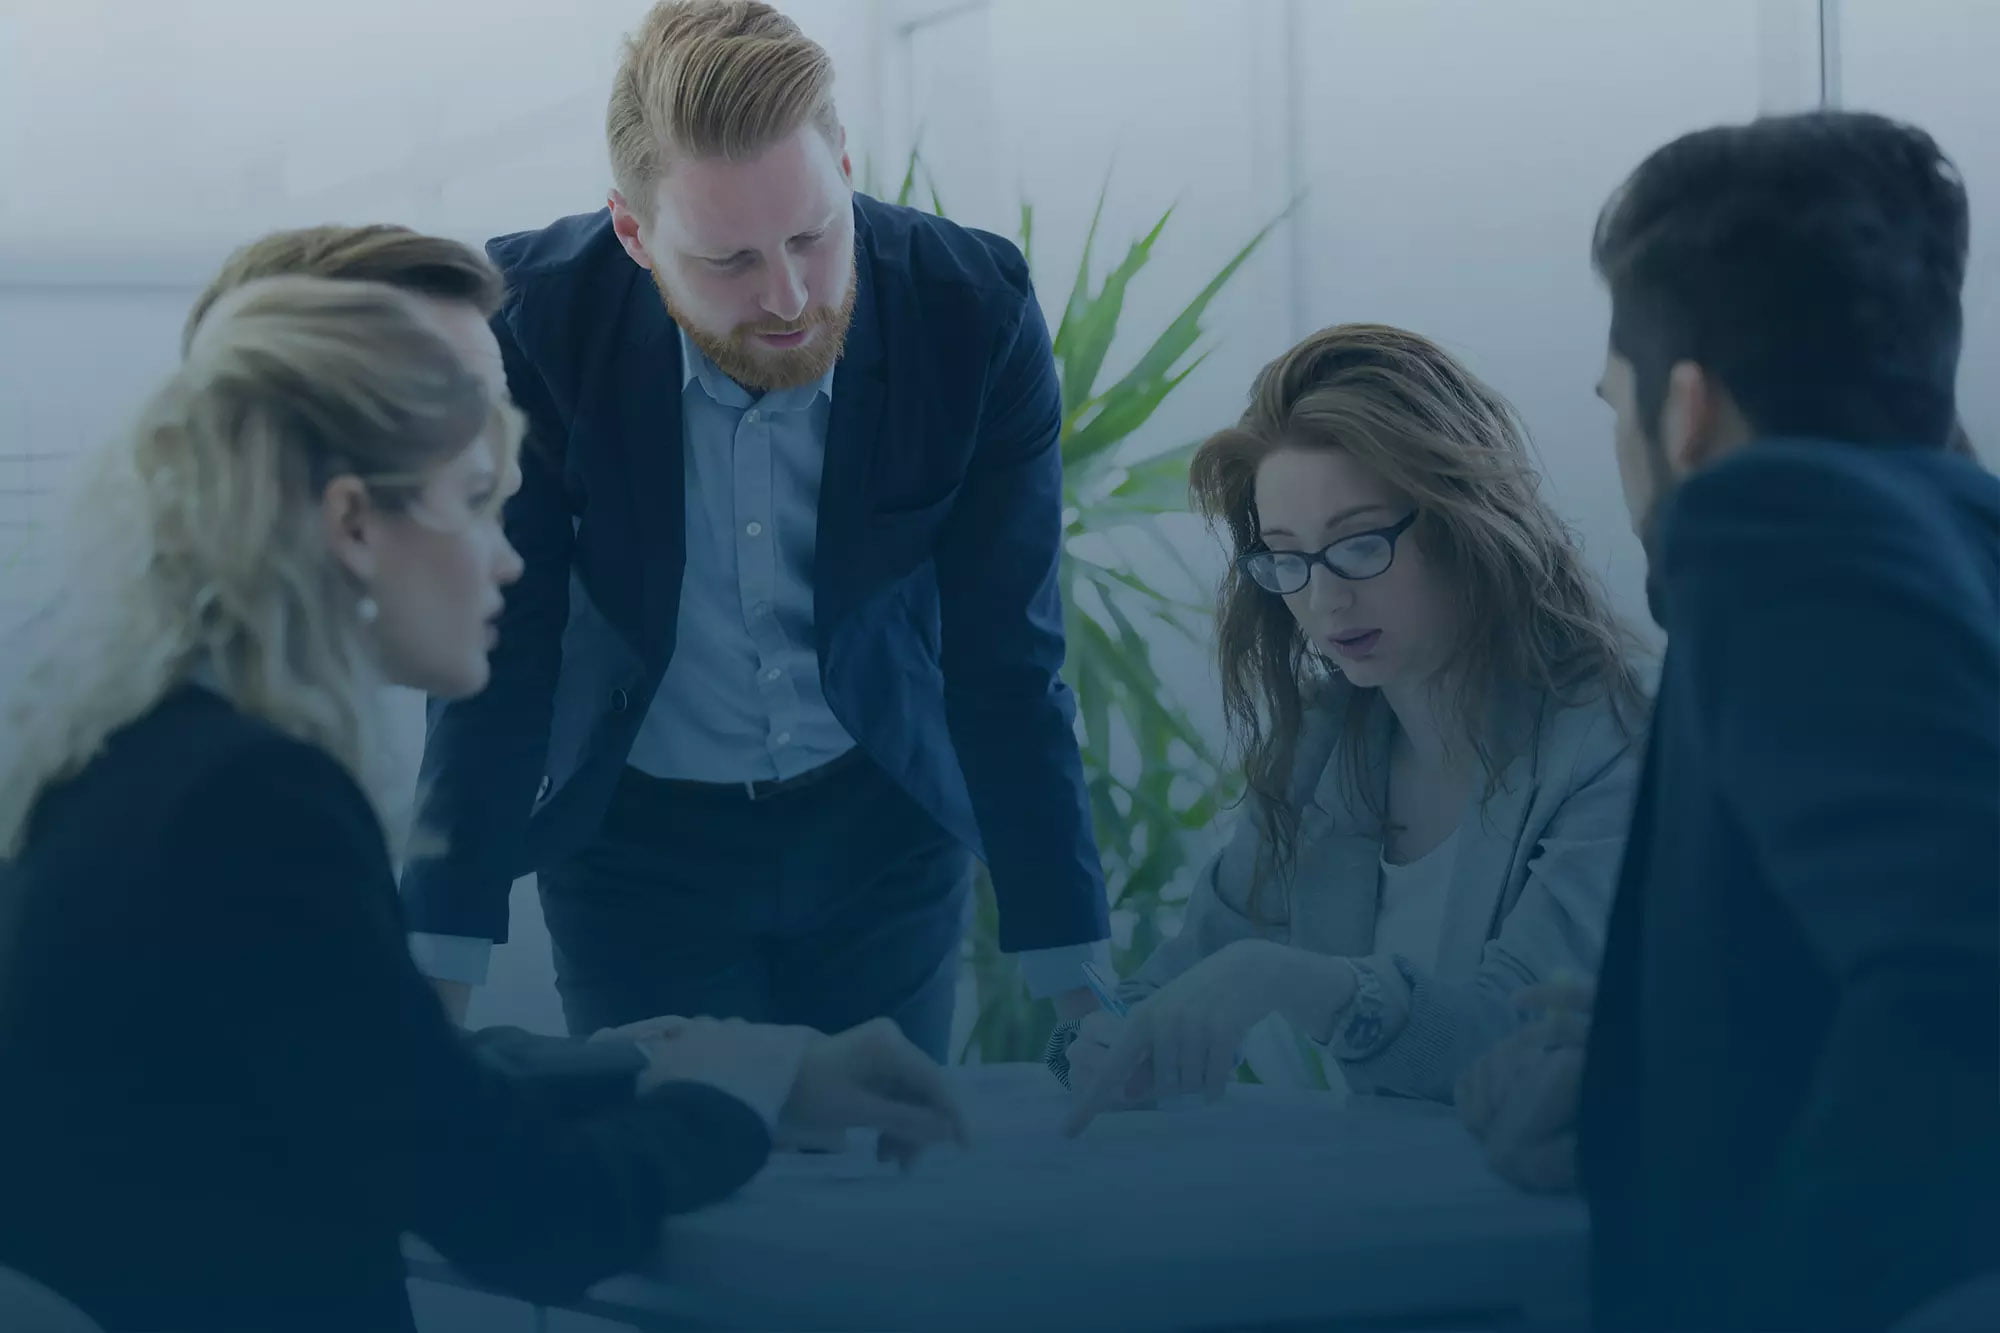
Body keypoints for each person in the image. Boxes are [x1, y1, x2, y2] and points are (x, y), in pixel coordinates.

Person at [0, 275, 966, 1333]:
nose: (509, 559)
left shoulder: (126, 761)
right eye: (473, 503)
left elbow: (380, 1080)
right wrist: (729, 1099)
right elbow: (530, 1215)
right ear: (355, 522)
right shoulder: (259, 803)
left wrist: (739, 1071)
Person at [399, 0, 1109, 1058]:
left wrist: (1081, 996)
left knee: (884, 1179)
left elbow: (1007, 657)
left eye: (815, 236)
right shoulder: (532, 327)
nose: (788, 297)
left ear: (845, 170)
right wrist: (434, 999)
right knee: (673, 1181)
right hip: (636, 848)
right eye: (728, 261)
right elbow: (497, 652)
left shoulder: (970, 314)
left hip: (883, 828)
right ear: (634, 234)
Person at [1459, 109, 2000, 1331]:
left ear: (1685, 407)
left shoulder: (1773, 517)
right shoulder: (1967, 535)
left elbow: (1966, 970)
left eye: (1615, 406)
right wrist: (1663, 1060)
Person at [1057, 323, 1648, 1131]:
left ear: (1462, 521)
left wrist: (1295, 983)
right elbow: (1174, 984)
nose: (1323, 600)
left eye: (1359, 544)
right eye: (1286, 558)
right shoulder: (1327, 743)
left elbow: (1520, 1042)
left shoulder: (1614, 740)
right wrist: (1105, 1043)